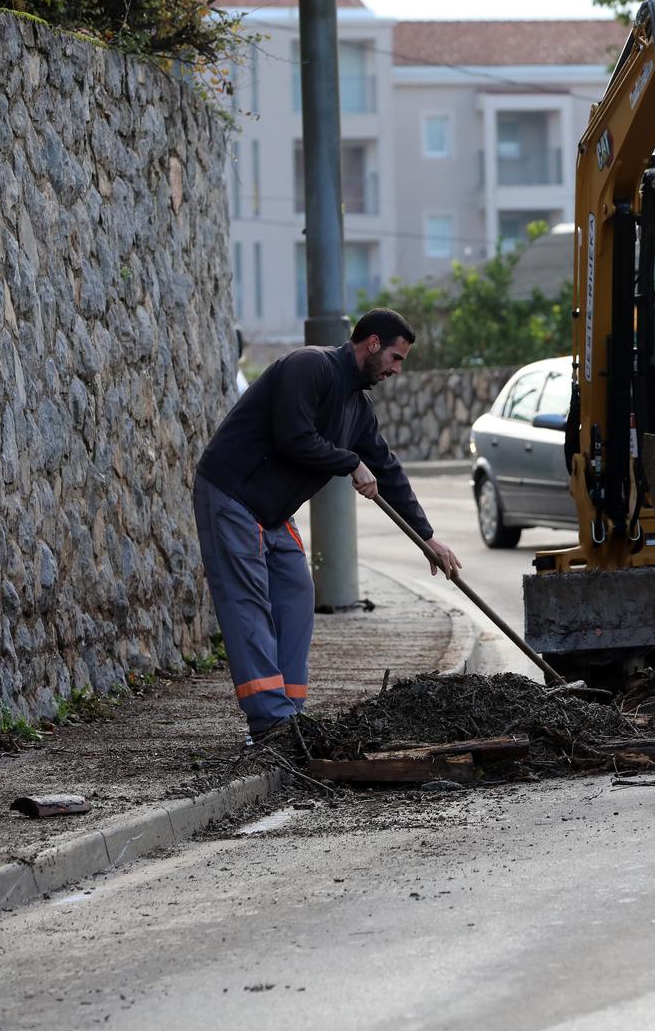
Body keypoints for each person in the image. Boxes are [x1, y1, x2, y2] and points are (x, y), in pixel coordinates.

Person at [193, 308, 462, 745]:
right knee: (249, 604)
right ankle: (270, 722)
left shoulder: (357, 407)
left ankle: (291, 713)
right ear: (372, 343)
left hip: (274, 511)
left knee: (297, 594)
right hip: (232, 493)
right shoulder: (309, 367)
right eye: (395, 357)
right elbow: (293, 437)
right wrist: (349, 461)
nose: (396, 369)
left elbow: (387, 471)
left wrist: (427, 539)